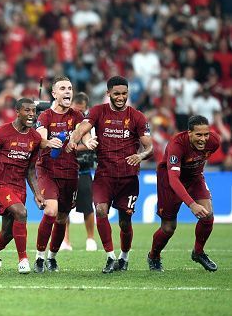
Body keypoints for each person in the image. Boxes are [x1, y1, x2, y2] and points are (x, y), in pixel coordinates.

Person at [67, 76, 153, 273]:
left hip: (128, 177)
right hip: (104, 175)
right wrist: (76, 139)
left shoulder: (137, 116)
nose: (121, 97)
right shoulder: (98, 111)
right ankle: (110, 257)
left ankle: (124, 256)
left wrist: (141, 156)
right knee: (100, 211)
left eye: (124, 93)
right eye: (116, 94)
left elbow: (149, 148)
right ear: (108, 94)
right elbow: (81, 128)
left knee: (125, 221)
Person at [0, 98, 55, 274]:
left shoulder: (34, 138)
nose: (31, 114)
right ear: (17, 112)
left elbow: (31, 169)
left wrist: (37, 193)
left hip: (19, 187)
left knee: (7, 233)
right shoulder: (1, 132)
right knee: (21, 212)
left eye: (34, 111)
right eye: (27, 110)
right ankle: (23, 260)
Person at [33, 76, 97, 273]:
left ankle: (52, 257)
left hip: (70, 172)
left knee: (62, 217)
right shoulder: (45, 116)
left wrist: (88, 142)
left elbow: (83, 132)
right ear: (54, 94)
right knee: (51, 211)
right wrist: (48, 143)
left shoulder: (77, 115)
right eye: (62, 88)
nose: (67, 91)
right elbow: (41, 139)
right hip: (48, 170)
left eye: (69, 88)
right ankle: (39, 257)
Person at [147, 115, 220, 272]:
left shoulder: (214, 142)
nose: (203, 139)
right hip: (169, 181)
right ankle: (154, 256)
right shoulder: (176, 145)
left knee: (208, 215)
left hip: (195, 178)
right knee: (168, 228)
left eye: (206, 134)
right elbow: (174, 178)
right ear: (189, 133)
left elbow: (201, 158)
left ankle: (198, 252)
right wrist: (192, 204)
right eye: (198, 135)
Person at [62, 93, 98, 252]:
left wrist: (71, 147)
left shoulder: (92, 124)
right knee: (63, 207)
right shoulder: (65, 121)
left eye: (82, 111)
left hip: (83, 169)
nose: (79, 113)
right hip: (65, 169)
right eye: (76, 110)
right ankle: (65, 240)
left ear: (86, 109)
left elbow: (93, 144)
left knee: (87, 206)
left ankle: (90, 238)